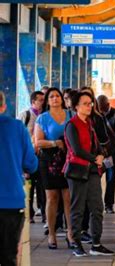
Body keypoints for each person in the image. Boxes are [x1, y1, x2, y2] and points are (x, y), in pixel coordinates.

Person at [64, 91, 114, 257]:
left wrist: (101, 155)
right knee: (77, 209)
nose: (89, 106)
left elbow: (96, 144)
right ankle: (76, 243)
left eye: (90, 103)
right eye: (85, 103)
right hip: (77, 171)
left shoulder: (89, 123)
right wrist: (96, 158)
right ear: (76, 106)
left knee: (97, 207)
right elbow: (77, 150)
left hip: (92, 170)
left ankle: (96, 243)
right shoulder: (72, 125)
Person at [0, 91, 38, 266]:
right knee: (8, 256)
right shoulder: (17, 127)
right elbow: (31, 164)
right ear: (3, 106)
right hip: (11, 202)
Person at [34, 88, 74, 249]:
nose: (55, 98)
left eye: (57, 96)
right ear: (47, 101)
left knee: (68, 197)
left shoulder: (71, 115)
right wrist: (54, 143)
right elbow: (38, 142)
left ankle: (70, 233)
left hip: (68, 160)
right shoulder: (42, 118)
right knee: (52, 197)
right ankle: (51, 234)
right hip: (49, 161)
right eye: (51, 96)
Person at [18, 91, 46, 224]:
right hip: (29, 156)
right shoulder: (26, 115)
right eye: (40, 100)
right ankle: (29, 212)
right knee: (29, 186)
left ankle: (43, 210)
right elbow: (18, 135)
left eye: (43, 100)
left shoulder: (45, 116)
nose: (42, 102)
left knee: (42, 185)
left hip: (42, 156)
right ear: (33, 101)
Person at [97, 95, 115, 214]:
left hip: (112, 151)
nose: (101, 111)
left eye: (103, 108)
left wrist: (109, 140)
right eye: (99, 108)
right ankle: (96, 203)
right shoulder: (96, 115)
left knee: (111, 178)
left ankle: (109, 204)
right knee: (95, 178)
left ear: (108, 105)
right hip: (99, 151)